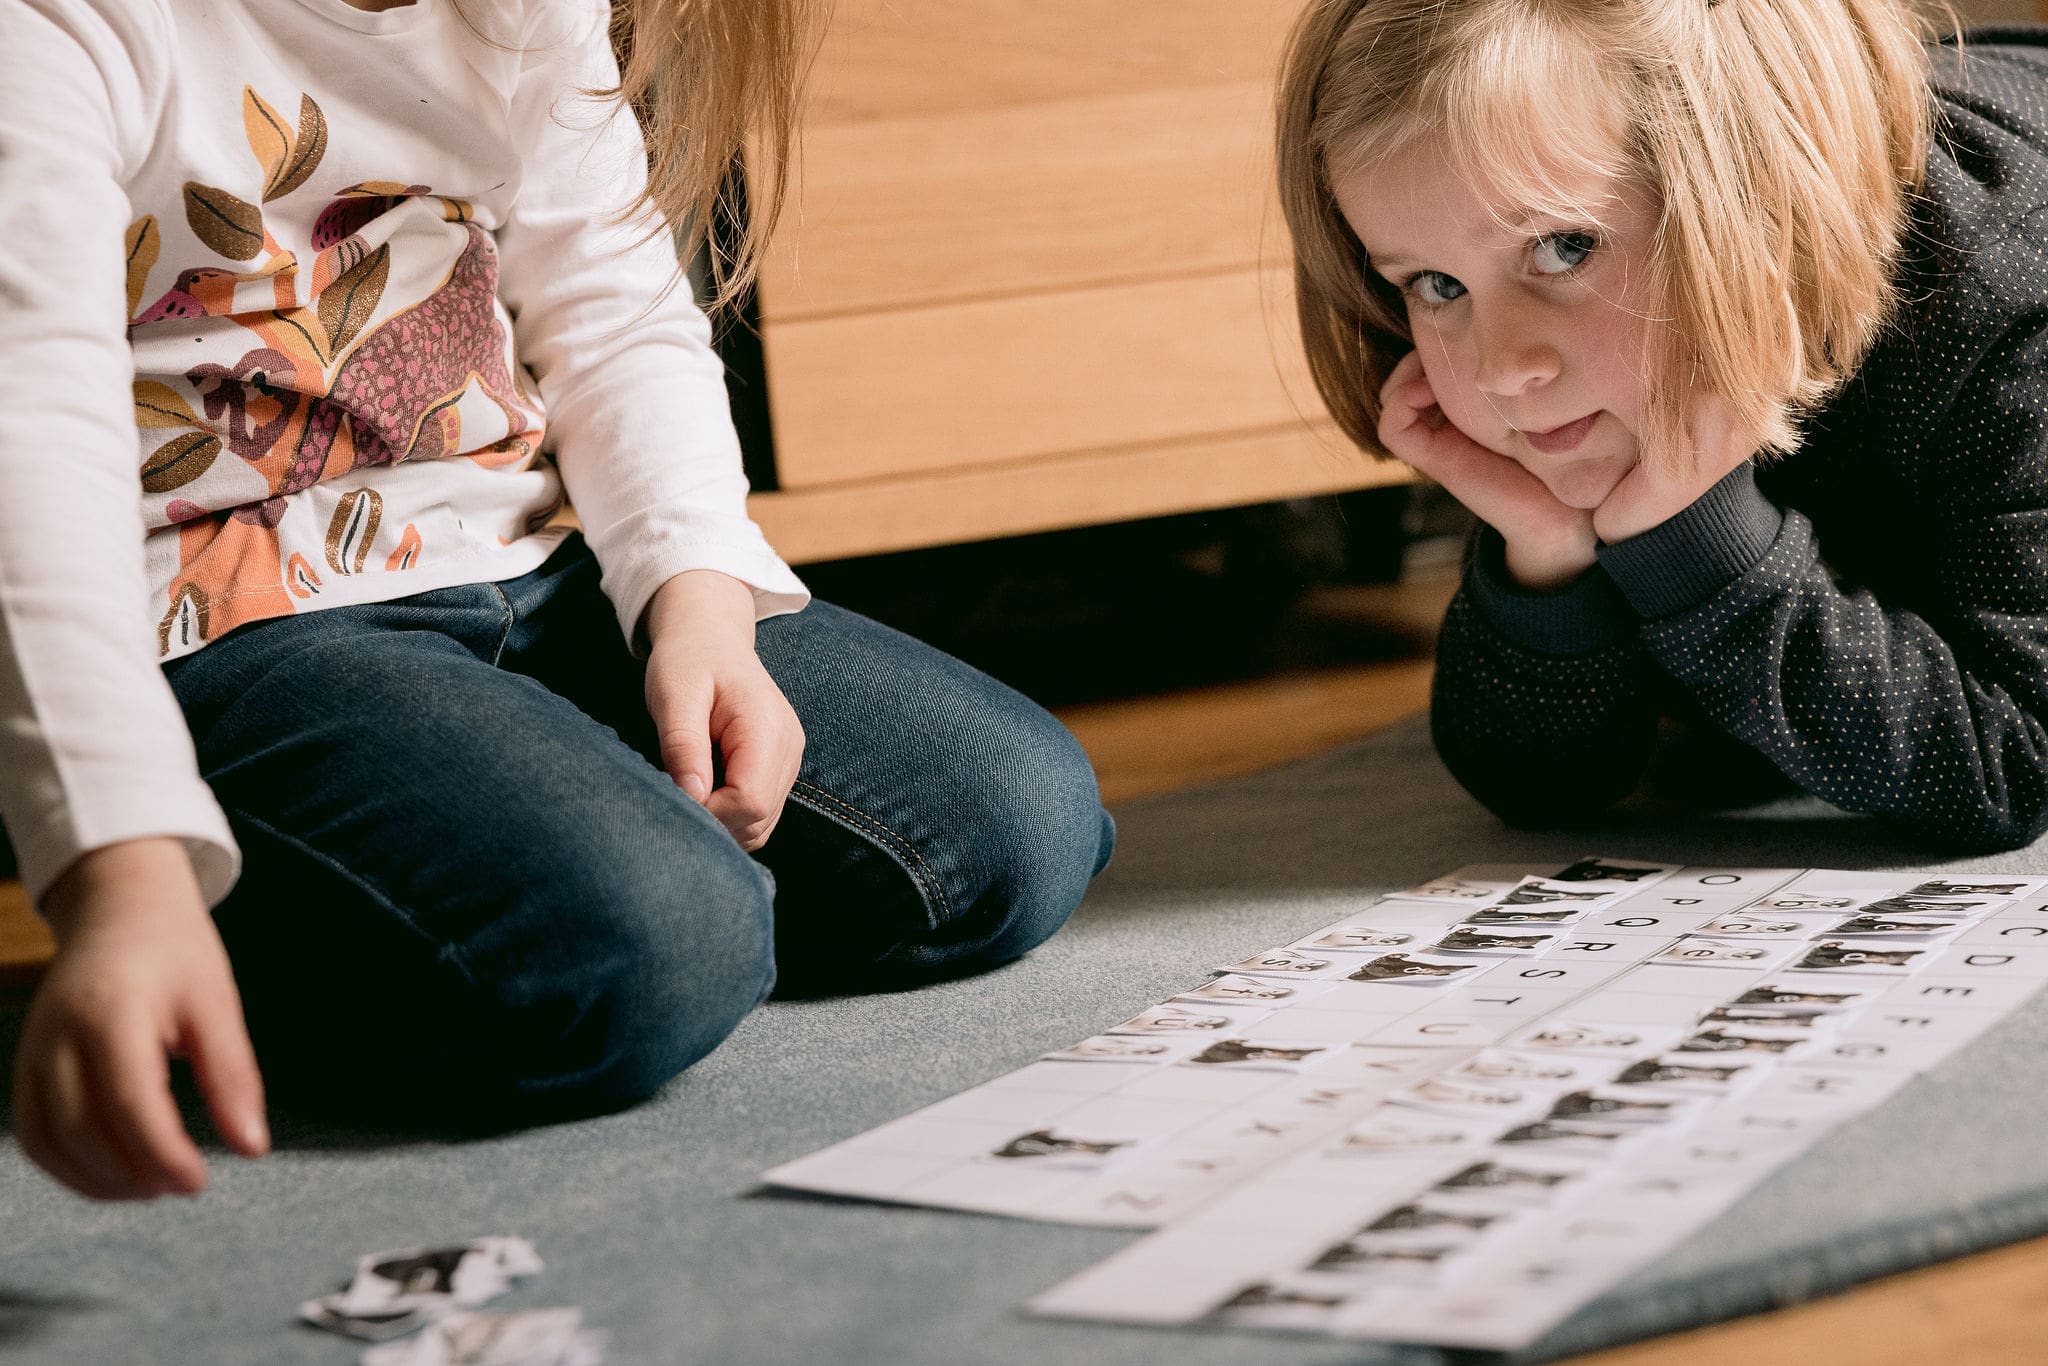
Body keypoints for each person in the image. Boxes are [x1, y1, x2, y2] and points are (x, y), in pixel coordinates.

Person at [1, 0, 1113, 1202]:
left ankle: (504, 878)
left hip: (515, 561)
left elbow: (616, 308)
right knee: (653, 949)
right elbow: (30, 450)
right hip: (222, 625)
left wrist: (699, 603)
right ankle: (214, 946)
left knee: (1015, 823)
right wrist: (122, 870)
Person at [1276, 0, 2048, 850]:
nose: (1500, 368)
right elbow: (1533, 789)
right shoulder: (1585, 371)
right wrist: (1546, 554)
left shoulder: (1997, 297)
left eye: (1564, 248)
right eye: (1436, 284)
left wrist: (1700, 542)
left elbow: (2013, 763)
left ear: (1754, 198)